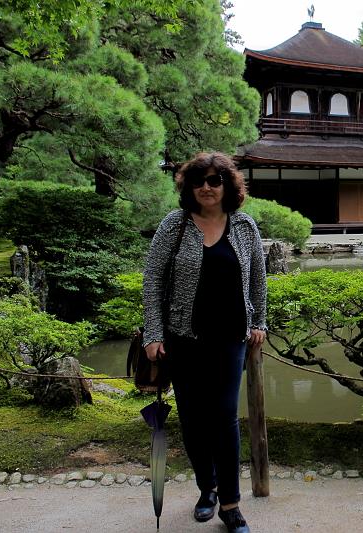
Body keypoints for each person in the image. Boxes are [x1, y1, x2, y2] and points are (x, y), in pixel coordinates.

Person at [142, 152, 266, 533]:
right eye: (199, 181)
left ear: (228, 184)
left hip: (231, 339)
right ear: (188, 187)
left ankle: (231, 504)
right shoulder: (175, 225)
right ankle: (206, 490)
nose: (207, 187)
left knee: (225, 417)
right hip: (184, 339)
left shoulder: (244, 227)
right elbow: (153, 280)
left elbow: (259, 279)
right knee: (194, 421)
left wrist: (259, 322)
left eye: (215, 180)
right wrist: (154, 333)